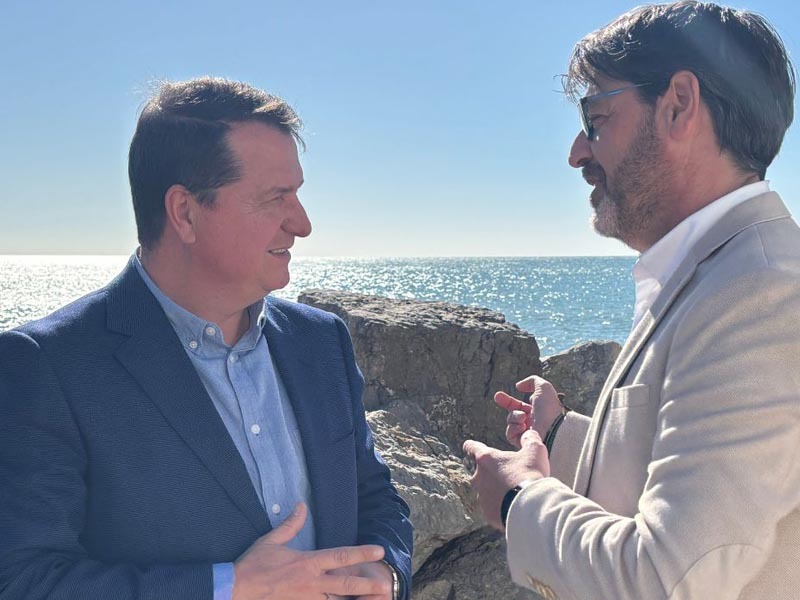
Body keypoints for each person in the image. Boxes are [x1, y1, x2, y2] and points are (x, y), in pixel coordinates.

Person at [0, 77, 412, 600]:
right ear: (185, 213)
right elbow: (24, 580)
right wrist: (226, 588)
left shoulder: (320, 340)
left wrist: (386, 574)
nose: (303, 223)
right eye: (276, 198)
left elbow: (375, 497)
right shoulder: (47, 365)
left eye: (298, 194)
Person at [463, 3, 800, 599]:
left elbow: (670, 577)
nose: (577, 152)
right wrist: (562, 436)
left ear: (678, 106)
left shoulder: (759, 292)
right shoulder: (726, 270)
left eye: (595, 118)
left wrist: (519, 499)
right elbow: (698, 485)